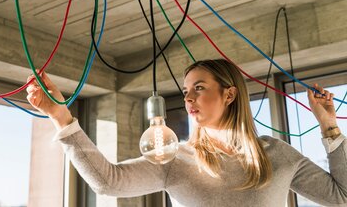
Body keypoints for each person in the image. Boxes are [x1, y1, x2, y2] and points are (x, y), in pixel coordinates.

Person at [26, 59, 347, 207]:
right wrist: (61, 116)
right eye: (185, 91)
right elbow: (108, 182)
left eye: (199, 88)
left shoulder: (278, 155)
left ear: (230, 95)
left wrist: (328, 126)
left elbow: (341, 197)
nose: (188, 98)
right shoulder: (176, 158)